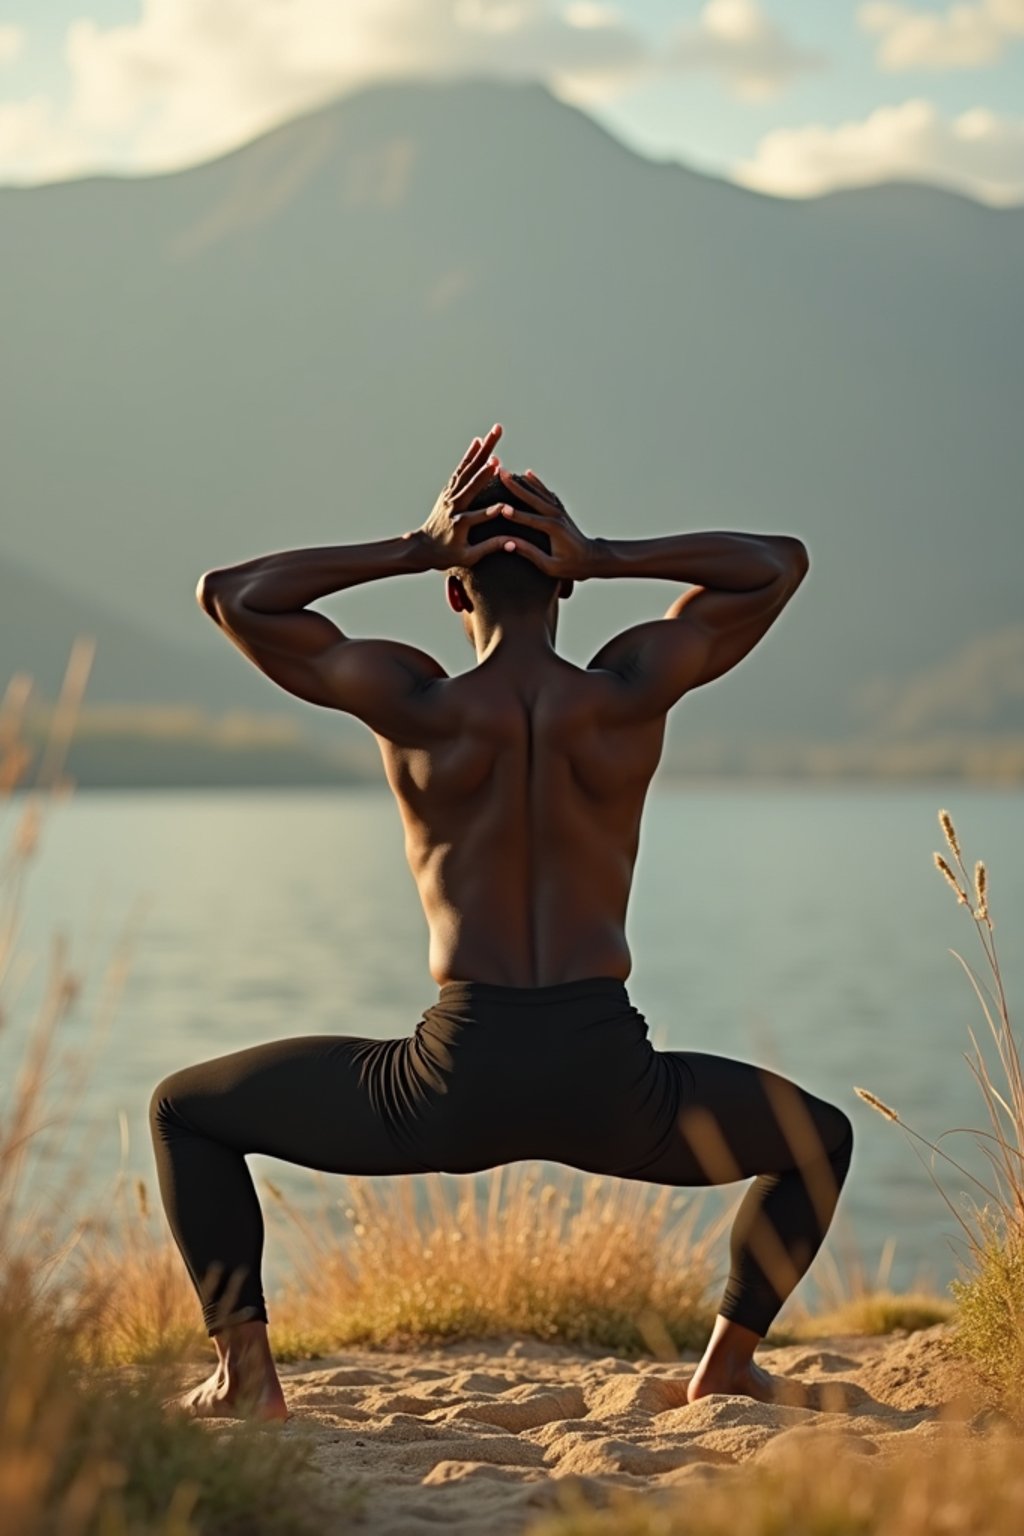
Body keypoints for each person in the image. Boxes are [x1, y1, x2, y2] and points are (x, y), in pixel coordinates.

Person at [151, 422, 853, 1421]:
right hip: (613, 1078)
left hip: (448, 1079)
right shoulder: (629, 690)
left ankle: (248, 1379)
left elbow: (233, 595)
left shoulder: (417, 703)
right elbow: (776, 565)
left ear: (452, 591)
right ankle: (727, 1367)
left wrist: (411, 544)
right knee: (816, 1139)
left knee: (187, 1110)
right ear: (562, 583)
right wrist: (607, 554)